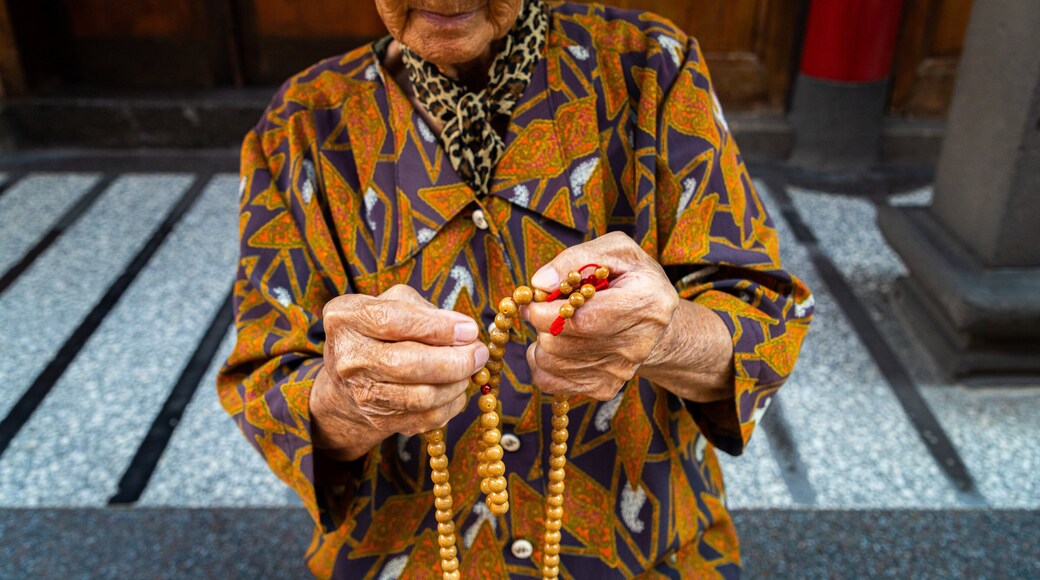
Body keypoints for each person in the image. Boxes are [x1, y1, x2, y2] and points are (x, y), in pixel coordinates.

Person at [218, 0, 814, 577]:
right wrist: (345, 401)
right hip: (402, 559)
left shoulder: (651, 65)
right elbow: (264, 381)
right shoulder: (303, 123)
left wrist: (667, 336)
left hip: (642, 556)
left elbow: (766, 319)